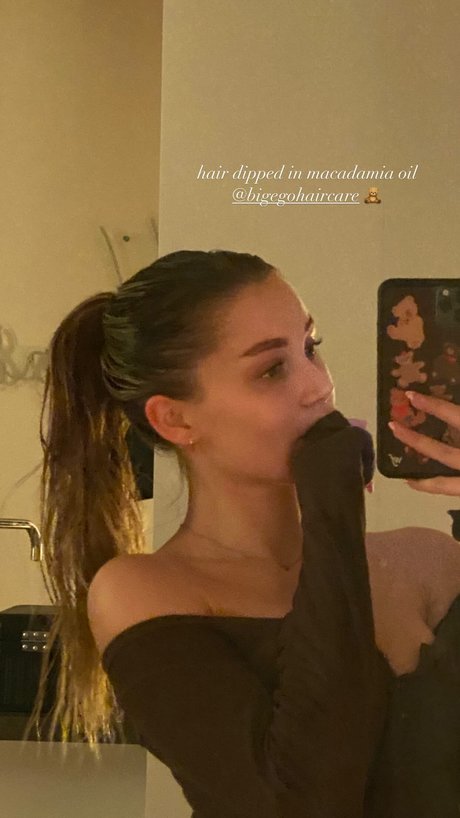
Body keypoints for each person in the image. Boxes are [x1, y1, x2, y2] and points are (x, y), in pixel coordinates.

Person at [24, 250, 460, 817]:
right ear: (175, 419)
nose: (320, 386)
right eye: (272, 370)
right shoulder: (143, 592)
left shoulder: (429, 560)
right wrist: (332, 500)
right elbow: (302, 802)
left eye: (311, 347)